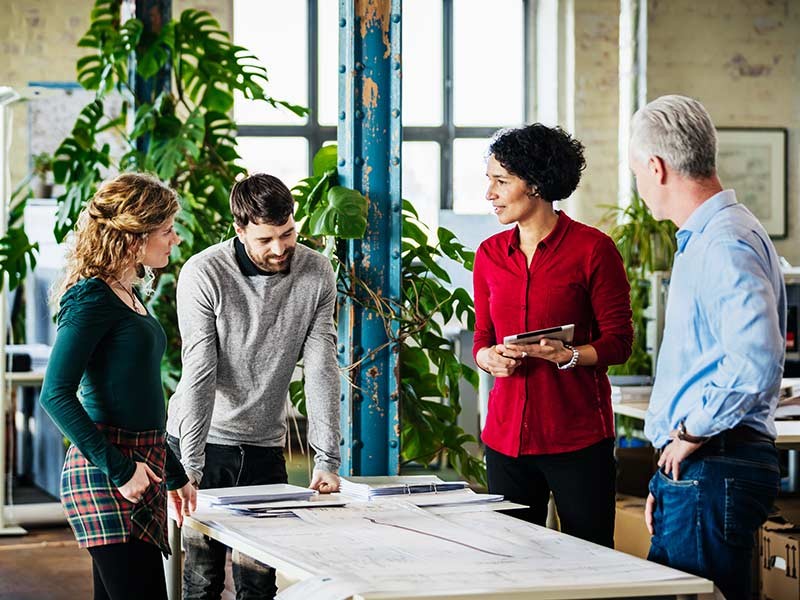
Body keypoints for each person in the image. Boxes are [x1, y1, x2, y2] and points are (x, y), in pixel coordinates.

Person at [629, 95, 786, 600]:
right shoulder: (711, 237)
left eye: (637, 172)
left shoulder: (724, 242)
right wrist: (667, 476)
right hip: (698, 468)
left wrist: (691, 434)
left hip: (713, 462)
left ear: (656, 167)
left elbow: (755, 358)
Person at [166, 172, 341, 600]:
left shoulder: (316, 272)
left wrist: (327, 459)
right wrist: (190, 464)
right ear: (239, 229)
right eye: (265, 239)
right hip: (202, 441)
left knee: (260, 580)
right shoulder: (204, 272)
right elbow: (200, 369)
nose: (280, 248)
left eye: (288, 234)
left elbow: (321, 364)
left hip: (264, 447)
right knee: (203, 578)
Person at [473, 124, 633, 548]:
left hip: (576, 438)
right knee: (510, 561)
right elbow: (482, 336)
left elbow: (619, 342)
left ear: (537, 185)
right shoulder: (488, 255)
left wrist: (570, 356)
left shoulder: (594, 250)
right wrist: (485, 356)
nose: (490, 193)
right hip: (506, 440)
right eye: (489, 180)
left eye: (501, 181)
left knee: (591, 559)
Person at [39, 173, 196, 600]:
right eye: (166, 231)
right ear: (134, 238)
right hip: (107, 471)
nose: (174, 240)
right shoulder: (92, 297)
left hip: (141, 467)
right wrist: (122, 470)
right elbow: (54, 394)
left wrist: (175, 475)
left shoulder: (126, 291)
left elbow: (138, 402)